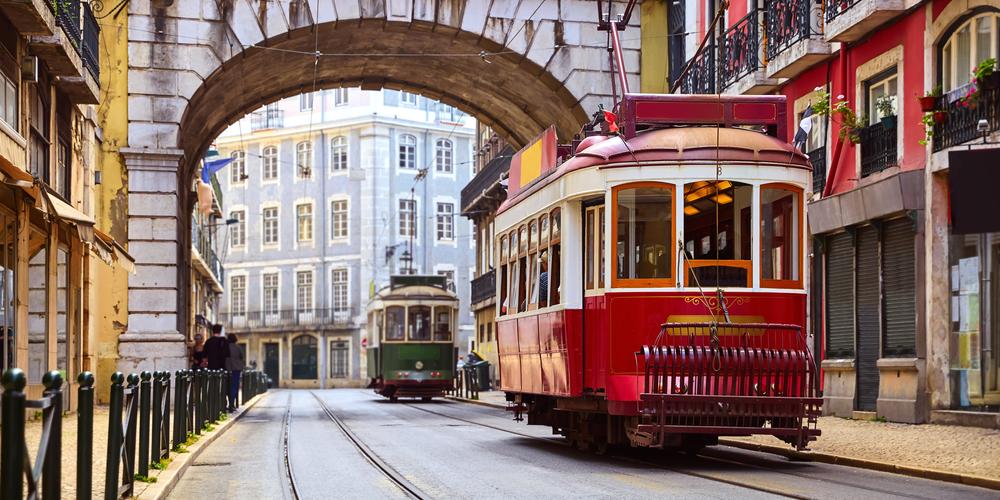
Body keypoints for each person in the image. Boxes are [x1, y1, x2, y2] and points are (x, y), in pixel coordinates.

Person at [225, 333, 245, 412]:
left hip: (227, 368)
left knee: (227, 386)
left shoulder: (226, 347)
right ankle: (231, 404)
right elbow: (241, 356)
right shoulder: (238, 347)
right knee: (234, 386)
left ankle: (228, 403)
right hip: (236, 368)